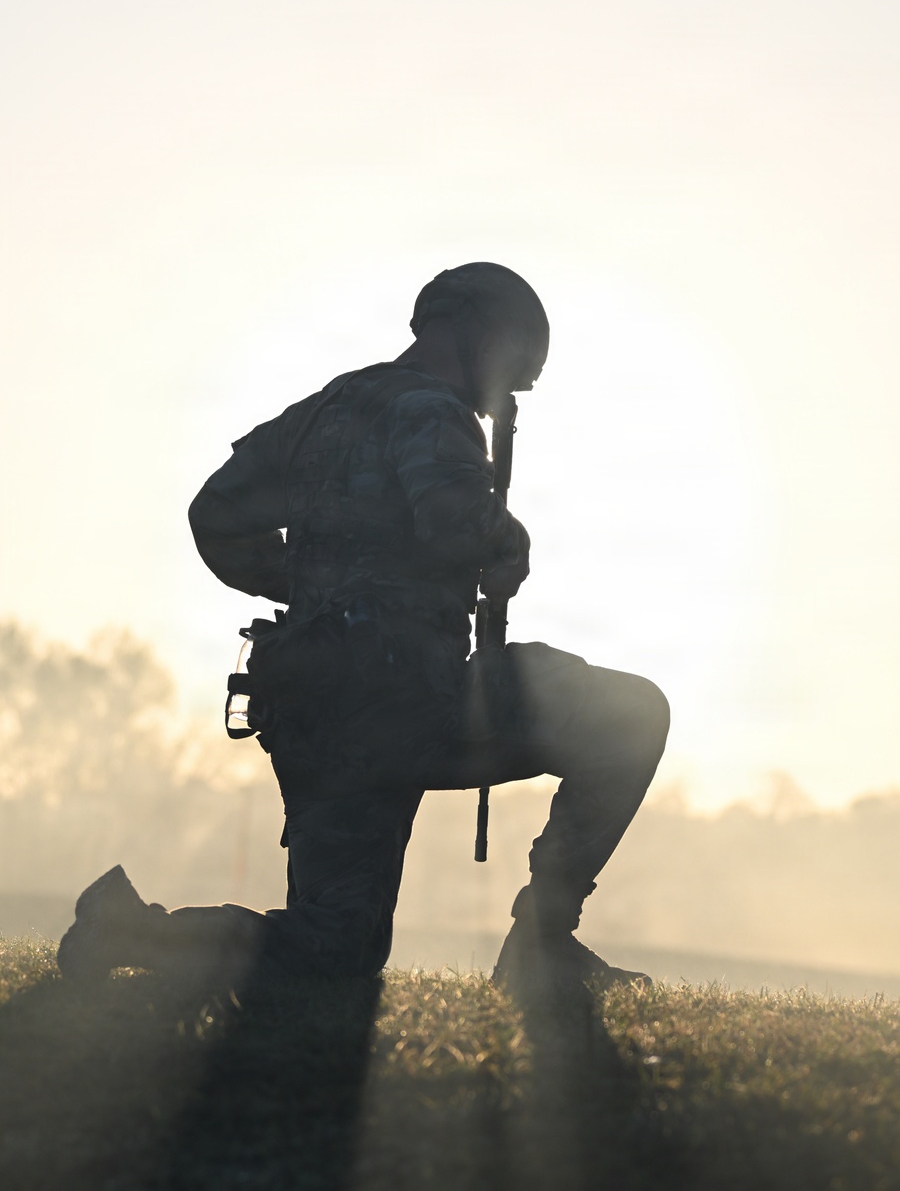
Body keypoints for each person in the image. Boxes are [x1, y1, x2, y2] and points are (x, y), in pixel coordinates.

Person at [58, 263, 670, 993]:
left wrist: (319, 589)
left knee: (335, 947)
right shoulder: (432, 410)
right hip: (409, 702)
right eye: (511, 372)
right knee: (631, 716)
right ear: (478, 335)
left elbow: (215, 516)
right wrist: (508, 544)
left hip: (316, 712)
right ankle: (542, 941)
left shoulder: (322, 411)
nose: (501, 397)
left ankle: (133, 930)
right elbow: (454, 524)